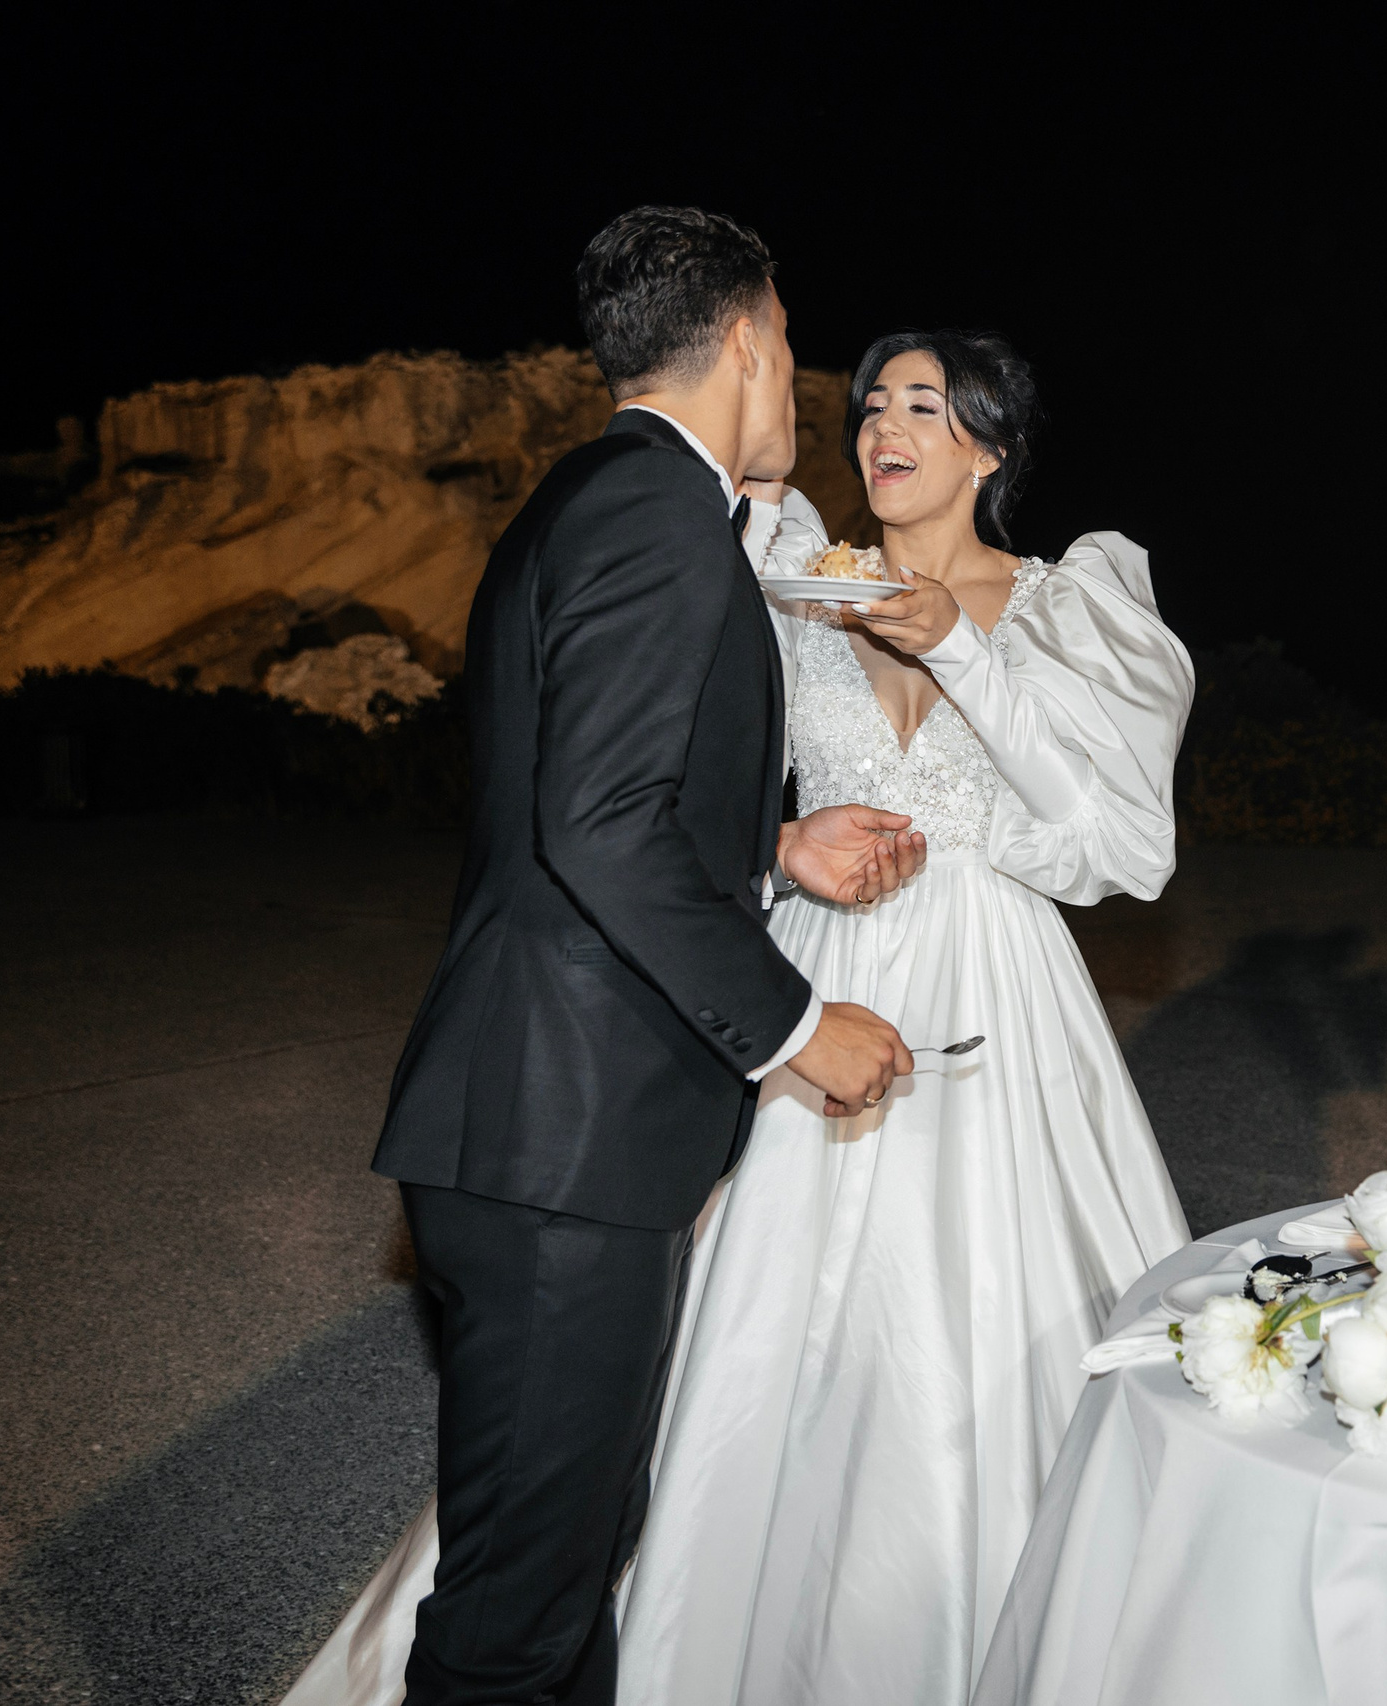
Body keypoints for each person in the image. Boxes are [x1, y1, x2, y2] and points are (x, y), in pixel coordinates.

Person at [284, 330, 1194, 1706]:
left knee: (966, 1356)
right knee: (719, 1335)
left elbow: (1126, 852)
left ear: (991, 446)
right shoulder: (790, 574)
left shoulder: (1072, 603)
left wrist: (967, 651)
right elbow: (658, 777)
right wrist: (782, 839)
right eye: (871, 400)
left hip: (989, 986)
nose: (883, 424)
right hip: (804, 969)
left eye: (925, 406)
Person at [346, 207, 922, 1706]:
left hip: (548, 1136)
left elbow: (587, 800)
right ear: (743, 342)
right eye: (792, 344)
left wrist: (768, 853)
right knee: (512, 1617)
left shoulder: (592, 499)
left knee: (570, 1552)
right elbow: (595, 830)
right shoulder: (657, 515)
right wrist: (798, 1025)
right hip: (559, 1147)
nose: (797, 377)